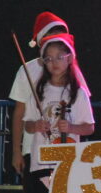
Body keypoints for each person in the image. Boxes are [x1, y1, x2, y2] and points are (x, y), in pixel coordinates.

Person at [19, 33, 95, 193]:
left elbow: (90, 127)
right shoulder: (39, 91)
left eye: (60, 57)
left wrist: (71, 128)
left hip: (67, 162)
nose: (54, 62)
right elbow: (27, 125)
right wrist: (36, 125)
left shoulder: (78, 93)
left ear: (69, 59)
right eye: (49, 59)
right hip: (41, 161)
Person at [10, 12, 68, 181]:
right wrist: (16, 152)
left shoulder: (71, 71)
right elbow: (19, 113)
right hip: (33, 149)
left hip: (65, 150)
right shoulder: (27, 70)